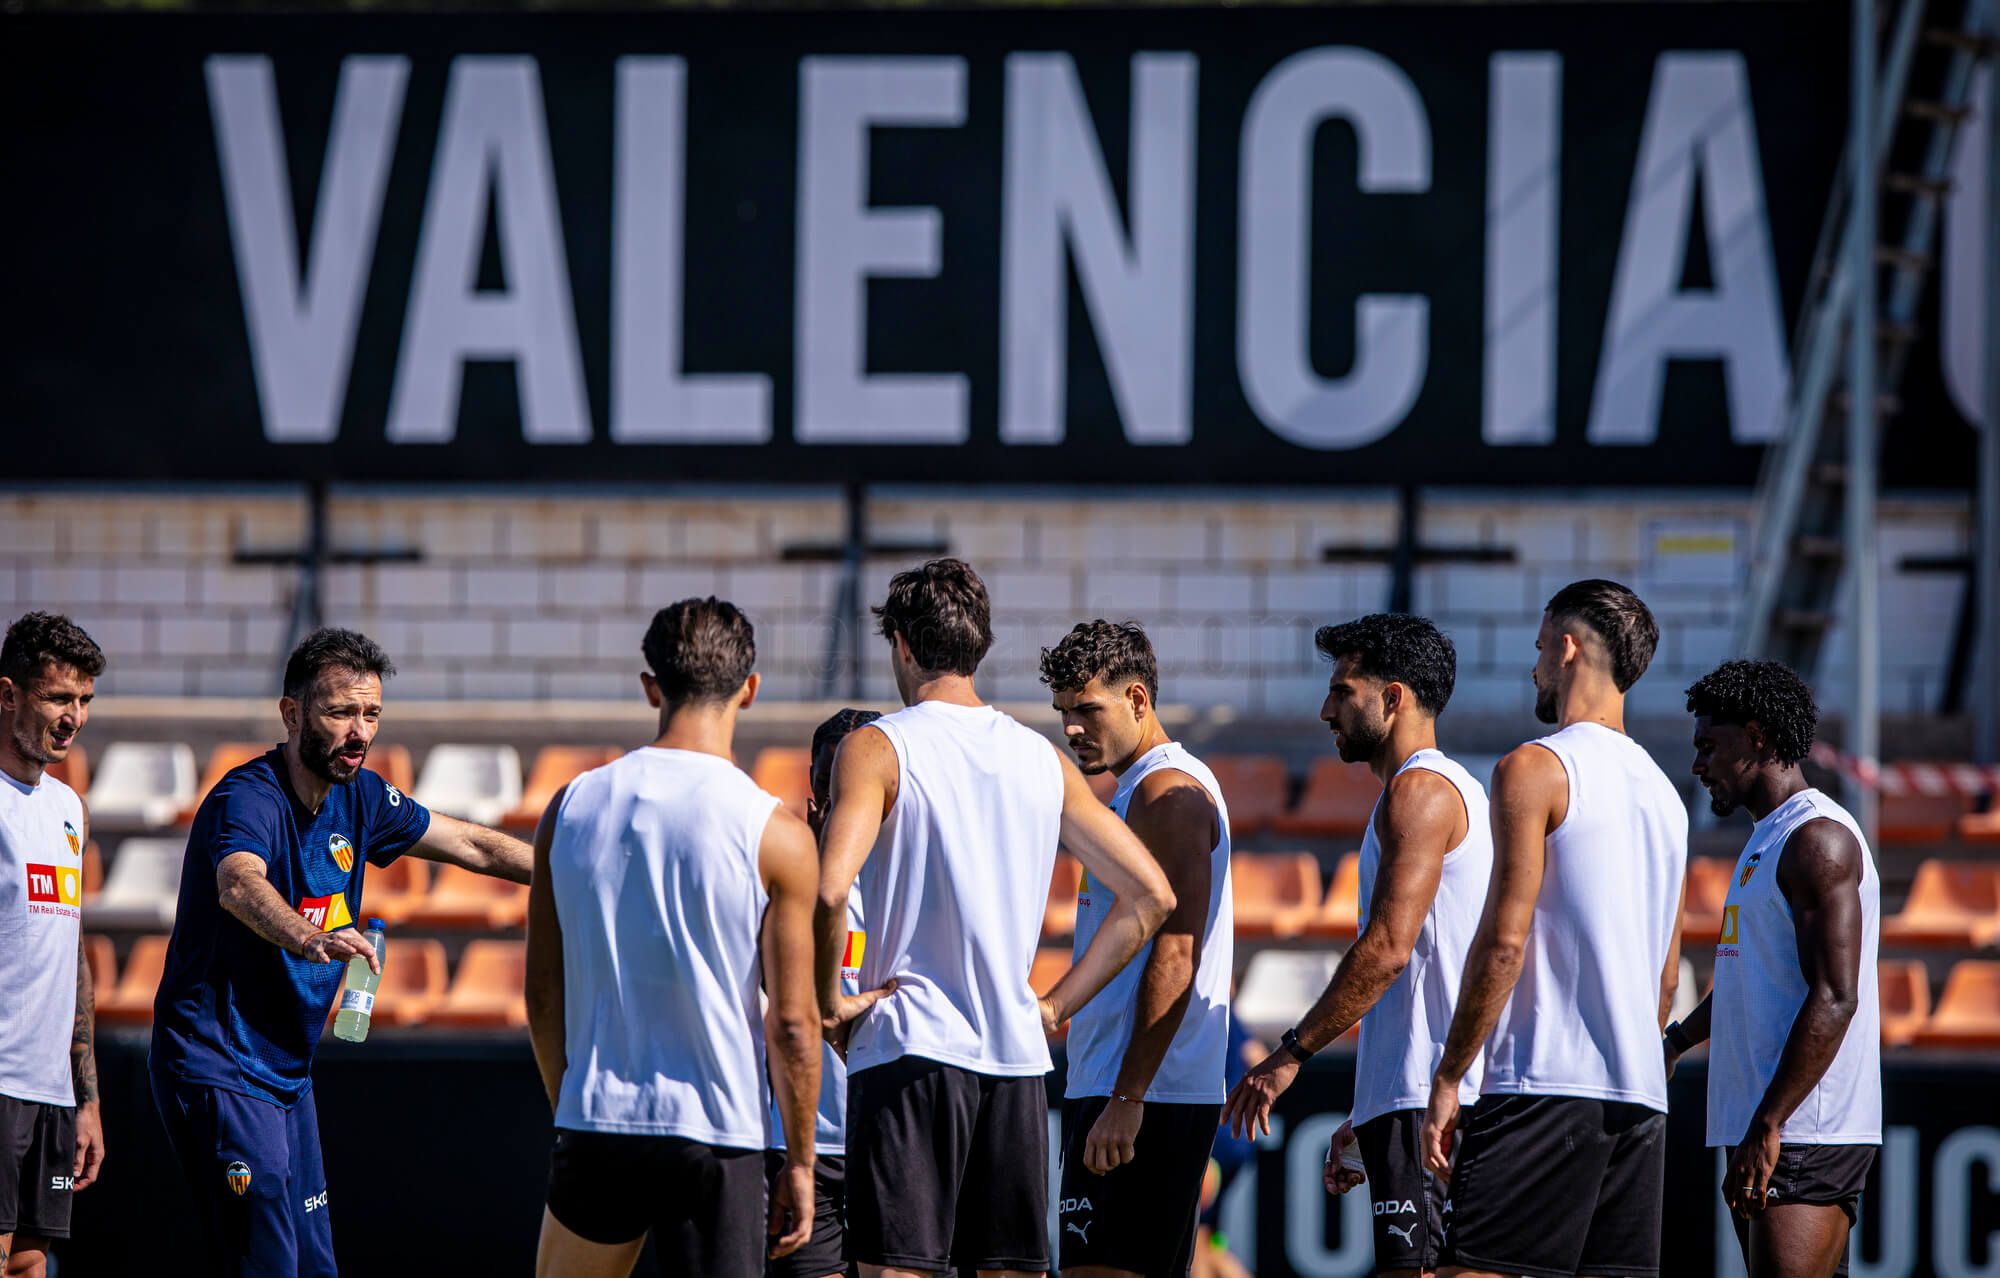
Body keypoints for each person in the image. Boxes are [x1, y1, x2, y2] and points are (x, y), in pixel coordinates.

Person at [816, 559, 1174, 1278]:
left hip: (910, 1046)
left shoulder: (877, 745)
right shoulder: (1040, 757)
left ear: (903, 646)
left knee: (895, 1269)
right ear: (979, 646)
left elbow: (829, 892)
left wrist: (829, 1003)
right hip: (1014, 1059)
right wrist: (1055, 1006)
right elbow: (1151, 897)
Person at [149, 627, 532, 1277]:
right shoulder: (248, 797)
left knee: (315, 1266)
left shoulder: (361, 796)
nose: (360, 732)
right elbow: (239, 884)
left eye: (371, 714)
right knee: (267, 1264)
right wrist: (308, 935)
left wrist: (571, 876)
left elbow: (473, 845)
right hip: (218, 1063)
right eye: (340, 713)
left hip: (287, 1073)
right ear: (292, 713)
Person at [525, 598, 831, 1278]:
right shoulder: (778, 833)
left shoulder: (568, 806)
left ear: (650, 686)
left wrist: (570, 1106)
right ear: (749, 689)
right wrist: (802, 1162)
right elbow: (792, 1022)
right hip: (718, 1132)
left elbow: (543, 995)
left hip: (598, 1120)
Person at [1419, 580, 1688, 1278]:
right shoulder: (1667, 795)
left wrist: (1450, 1075)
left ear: (1567, 650)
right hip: (1640, 1100)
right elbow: (1665, 983)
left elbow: (1504, 943)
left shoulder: (1535, 767)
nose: (1534, 667)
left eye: (1540, 648)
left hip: (1543, 1083)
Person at [1222, 614, 1490, 1278]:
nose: (1325, 710)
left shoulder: (1421, 791)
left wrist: (1289, 1055)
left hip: (1427, 1098)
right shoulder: (1435, 790)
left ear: (1393, 698)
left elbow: (1388, 950)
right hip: (1419, 1093)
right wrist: (1372, 1102)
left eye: (1343, 692)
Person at [1667, 660, 1880, 1278]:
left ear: (1757, 738)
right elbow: (1747, 983)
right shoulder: (1770, 836)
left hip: (1805, 1127)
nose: (1698, 764)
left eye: (1709, 746)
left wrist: (1771, 1121)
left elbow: (1836, 996)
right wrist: (1676, 1042)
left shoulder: (1817, 839)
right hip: (1774, 1122)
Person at [1038, 620, 1233, 1278]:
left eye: (1088, 709)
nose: (1072, 727)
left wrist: (1128, 1098)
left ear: (1138, 700)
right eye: (1063, 711)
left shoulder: (1165, 792)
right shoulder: (1137, 790)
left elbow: (1177, 952)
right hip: (1129, 1087)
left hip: (1144, 1093)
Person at [0, 614, 107, 1278]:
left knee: (29, 1264)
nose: (74, 718)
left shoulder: (70, 808)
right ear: (8, 694)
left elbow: (71, 953)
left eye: (85, 700)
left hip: (51, 1092)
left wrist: (85, 1096)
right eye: (58, 698)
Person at [766, 706, 881, 1278]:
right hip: (803, 1149)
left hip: (896, 1141)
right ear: (812, 803)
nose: (840, 806)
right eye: (828, 789)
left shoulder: (918, 886)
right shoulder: (776, 888)